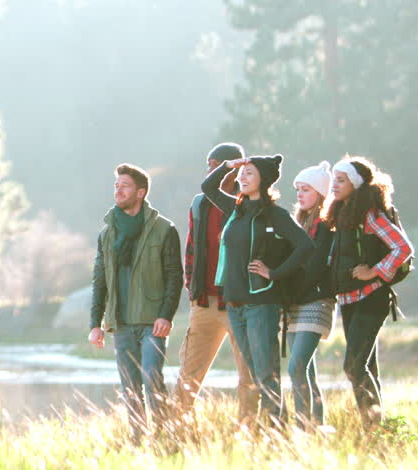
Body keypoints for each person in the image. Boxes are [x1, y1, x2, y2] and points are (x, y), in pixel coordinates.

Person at [201, 154, 313, 425]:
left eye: (249, 173)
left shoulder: (276, 214)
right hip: (236, 304)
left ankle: (278, 428)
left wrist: (274, 273)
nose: (243, 177)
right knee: (256, 373)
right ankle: (276, 425)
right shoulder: (236, 210)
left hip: (262, 304)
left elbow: (306, 246)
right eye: (243, 173)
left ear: (264, 180)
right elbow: (208, 188)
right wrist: (230, 166)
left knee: (265, 373)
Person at [89, 163, 183, 438]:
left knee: (152, 379)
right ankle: (138, 440)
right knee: (129, 387)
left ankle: (165, 438)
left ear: (140, 193)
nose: (118, 189)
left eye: (125, 185)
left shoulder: (164, 229)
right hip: (121, 323)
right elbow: (100, 282)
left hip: (152, 321)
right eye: (116, 185)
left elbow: (174, 277)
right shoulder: (107, 234)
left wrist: (166, 315)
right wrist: (96, 323)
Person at [324, 157, 414, 427]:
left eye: (341, 180)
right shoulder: (343, 213)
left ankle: (373, 427)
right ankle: (377, 427)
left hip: (372, 298)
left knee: (353, 366)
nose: (335, 185)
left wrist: (373, 271)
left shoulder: (370, 215)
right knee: (365, 367)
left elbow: (403, 247)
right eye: (334, 180)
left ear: (356, 183)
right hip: (349, 300)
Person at [175, 143, 258, 421]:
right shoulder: (199, 204)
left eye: (216, 165)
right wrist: (192, 288)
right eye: (209, 165)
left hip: (239, 304)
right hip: (204, 304)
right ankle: (178, 432)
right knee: (187, 376)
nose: (210, 170)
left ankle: (249, 430)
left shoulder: (248, 203)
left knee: (248, 376)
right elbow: (191, 249)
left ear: (233, 169)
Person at [284, 161, 337, 428]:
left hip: (316, 300)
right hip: (295, 302)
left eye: (306, 190)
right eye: (298, 190)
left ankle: (302, 425)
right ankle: (316, 427)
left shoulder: (326, 225)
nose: (300, 195)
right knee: (306, 370)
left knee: (296, 367)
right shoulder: (298, 223)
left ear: (320, 193)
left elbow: (316, 267)